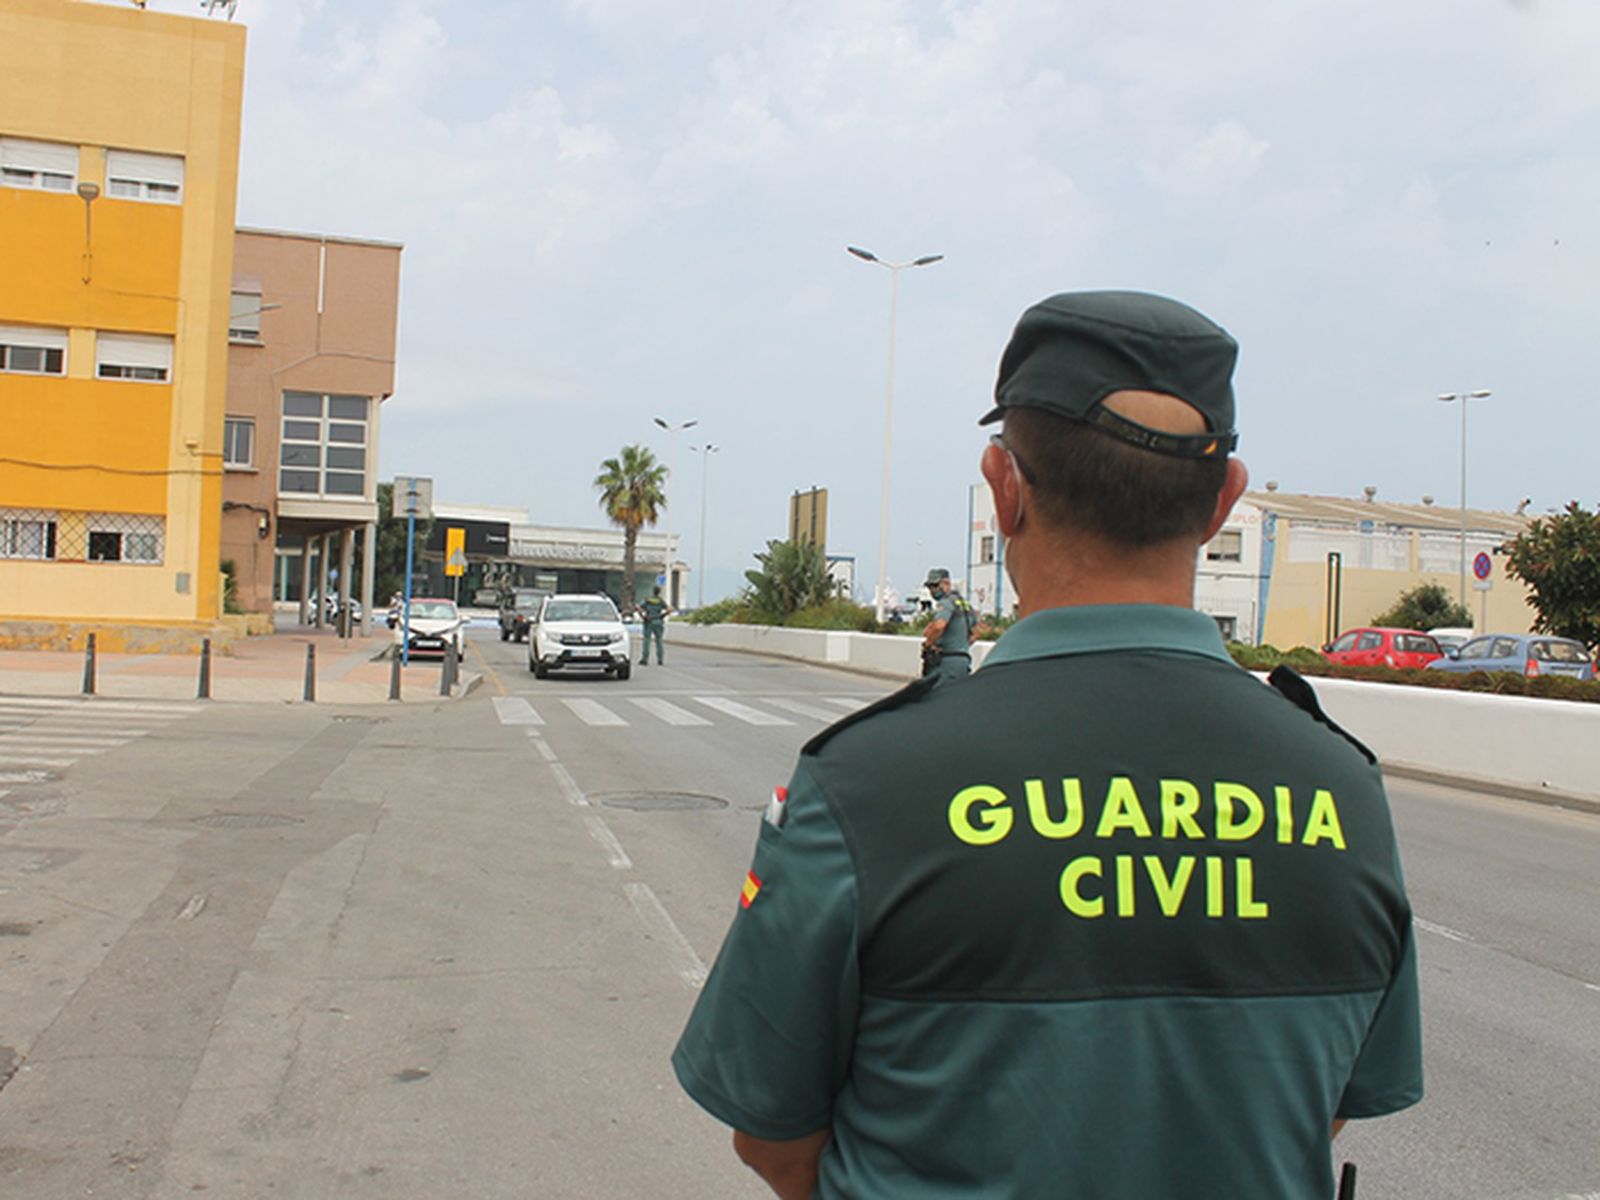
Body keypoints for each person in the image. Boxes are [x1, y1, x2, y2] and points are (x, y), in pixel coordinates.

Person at [672, 290, 1421, 1199]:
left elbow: (776, 1138)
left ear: (1006, 487)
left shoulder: (866, 784)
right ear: (1223, 500)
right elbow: (1324, 1106)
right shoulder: (1342, 787)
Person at [919, 567, 978, 679]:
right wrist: (960, 645)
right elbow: (976, 633)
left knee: (938, 689)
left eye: (935, 586)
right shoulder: (965, 604)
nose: (932, 590)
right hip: (963, 660)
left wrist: (928, 644)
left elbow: (939, 626)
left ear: (946, 584)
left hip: (946, 660)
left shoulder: (946, 602)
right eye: (930, 587)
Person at [639, 585, 670, 666]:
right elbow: (669, 609)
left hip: (649, 622)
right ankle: (660, 659)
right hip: (658, 622)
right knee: (659, 641)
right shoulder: (660, 601)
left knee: (646, 640)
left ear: (653, 591)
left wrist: (642, 616)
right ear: (659, 592)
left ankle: (645, 659)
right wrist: (662, 616)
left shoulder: (648, 600)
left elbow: (639, 608)